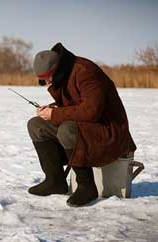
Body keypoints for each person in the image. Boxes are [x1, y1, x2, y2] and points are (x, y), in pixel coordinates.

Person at [27, 43, 136, 207]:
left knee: (67, 130)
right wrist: (53, 108)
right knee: (37, 125)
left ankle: (87, 186)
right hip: (89, 129)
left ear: (57, 69)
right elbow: (75, 106)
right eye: (42, 81)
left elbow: (91, 112)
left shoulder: (86, 72)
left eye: (48, 78)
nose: (47, 82)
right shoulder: (64, 74)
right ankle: (55, 181)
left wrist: (55, 114)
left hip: (109, 132)